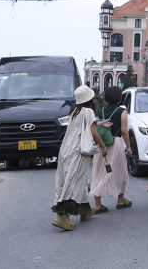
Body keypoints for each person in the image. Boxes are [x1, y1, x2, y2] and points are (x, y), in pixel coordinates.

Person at [51, 85, 110, 231]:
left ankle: (85, 211)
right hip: (78, 151)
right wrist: (103, 147)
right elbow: (94, 133)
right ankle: (63, 216)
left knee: (76, 180)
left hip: (66, 150)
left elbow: (85, 125)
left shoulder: (74, 111)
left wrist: (100, 122)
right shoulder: (88, 111)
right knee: (74, 182)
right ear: (89, 99)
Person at [91, 86, 132, 213]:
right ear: (119, 97)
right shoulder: (122, 111)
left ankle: (97, 204)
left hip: (102, 144)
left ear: (106, 97)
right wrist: (129, 147)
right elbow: (124, 131)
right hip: (116, 142)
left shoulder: (101, 111)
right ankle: (120, 200)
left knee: (99, 172)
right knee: (120, 171)